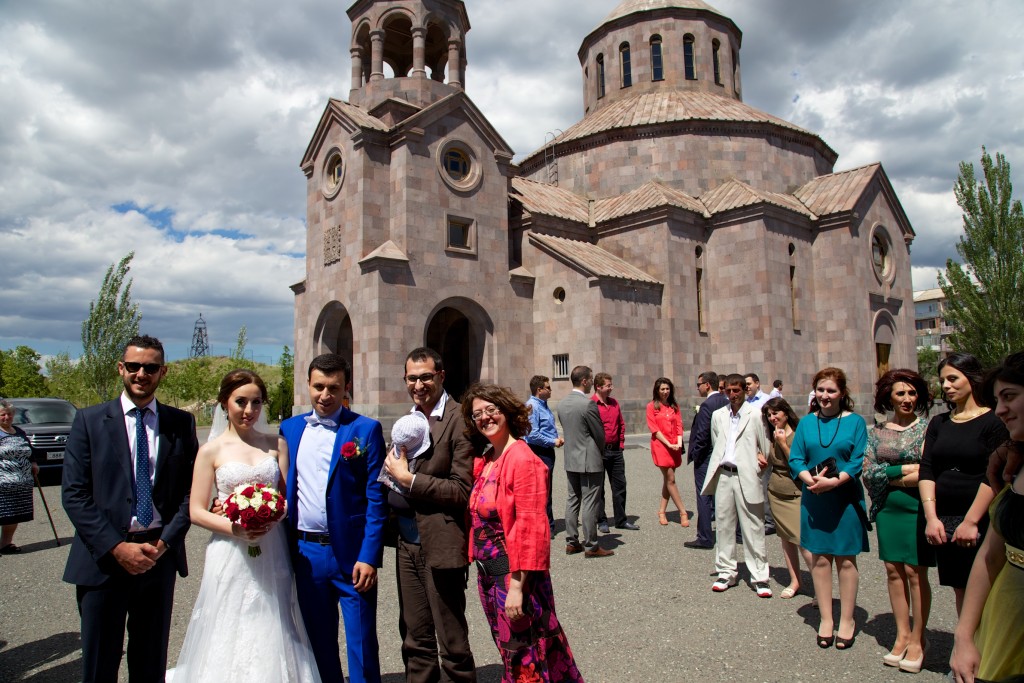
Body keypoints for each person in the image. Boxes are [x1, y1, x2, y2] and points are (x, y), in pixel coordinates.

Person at [62, 335, 199, 683]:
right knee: (99, 662)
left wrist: (165, 543)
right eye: (134, 366)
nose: (142, 374)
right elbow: (75, 494)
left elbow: (190, 493)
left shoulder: (180, 424)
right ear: (121, 368)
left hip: (158, 556)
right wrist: (117, 547)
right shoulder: (89, 421)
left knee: (150, 662)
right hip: (104, 560)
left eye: (151, 367)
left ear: (162, 372)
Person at [171, 370, 320, 682]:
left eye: (256, 402)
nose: (249, 410)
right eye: (241, 402)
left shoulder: (276, 444)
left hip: (271, 545)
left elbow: (284, 498)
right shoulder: (211, 450)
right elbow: (196, 510)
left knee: (272, 618)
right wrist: (235, 528)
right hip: (229, 550)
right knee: (228, 621)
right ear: (225, 402)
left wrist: (270, 516)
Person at [461, 383, 585, 683]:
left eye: (492, 410)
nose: (485, 417)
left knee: (528, 657)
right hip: (489, 578)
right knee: (513, 654)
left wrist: (517, 586)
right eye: (478, 414)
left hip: (515, 578)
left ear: (507, 411)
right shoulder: (489, 458)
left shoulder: (522, 458)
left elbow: (532, 529)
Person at [281, 354, 388, 683]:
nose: (325, 395)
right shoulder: (290, 428)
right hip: (306, 553)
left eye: (333, 388)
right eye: (318, 387)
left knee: (360, 643)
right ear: (308, 385)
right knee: (319, 641)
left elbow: (376, 498)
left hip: (352, 555)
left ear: (346, 388)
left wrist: (369, 556)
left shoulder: (365, 430)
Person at [383, 347, 478, 682]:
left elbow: (461, 491)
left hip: (440, 540)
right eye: (412, 378)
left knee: (450, 638)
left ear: (441, 376)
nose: (418, 384)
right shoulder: (409, 419)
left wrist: (409, 480)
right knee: (414, 635)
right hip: (406, 541)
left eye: (425, 377)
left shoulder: (459, 419)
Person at [950, 352, 1024, 683]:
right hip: (1006, 616)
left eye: (1010, 397)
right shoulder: (1014, 463)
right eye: (997, 400)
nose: (1001, 410)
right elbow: (991, 555)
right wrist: (964, 636)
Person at [919, 352, 1009, 616]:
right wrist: (931, 517)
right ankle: (966, 648)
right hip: (944, 518)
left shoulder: (994, 422)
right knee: (960, 588)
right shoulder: (939, 422)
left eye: (952, 378)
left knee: (987, 588)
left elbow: (992, 474)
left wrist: (970, 521)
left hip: (980, 519)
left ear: (971, 378)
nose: (946, 386)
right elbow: (927, 468)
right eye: (942, 380)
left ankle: (987, 653)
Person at [789, 367, 869, 650]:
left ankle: (847, 619)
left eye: (831, 390)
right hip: (814, 496)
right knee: (820, 560)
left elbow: (858, 459)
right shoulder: (807, 423)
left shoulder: (856, 422)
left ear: (842, 393)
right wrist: (809, 478)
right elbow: (796, 458)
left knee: (846, 560)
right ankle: (826, 618)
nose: (825, 396)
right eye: (820, 390)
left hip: (844, 498)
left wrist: (834, 482)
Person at [861, 369, 935, 673]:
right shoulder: (877, 431)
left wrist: (895, 472)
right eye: (900, 393)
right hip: (888, 506)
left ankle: (919, 638)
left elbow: (929, 471)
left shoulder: (930, 429)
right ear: (888, 397)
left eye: (912, 393)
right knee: (893, 570)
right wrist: (901, 472)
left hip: (919, 507)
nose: (907, 399)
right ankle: (902, 634)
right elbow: (869, 472)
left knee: (916, 572)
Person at [701, 374, 773, 598]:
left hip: (746, 475)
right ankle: (726, 571)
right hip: (724, 474)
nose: (732, 395)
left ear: (744, 391)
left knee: (753, 526)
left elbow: (766, 445)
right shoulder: (718, 415)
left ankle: (760, 576)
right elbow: (717, 443)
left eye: (737, 390)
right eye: (729, 391)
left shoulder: (755, 415)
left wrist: (759, 463)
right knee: (723, 524)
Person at [558, 365, 613, 558]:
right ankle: (591, 545)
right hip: (589, 459)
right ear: (584, 381)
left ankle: (571, 541)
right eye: (590, 379)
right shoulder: (588, 404)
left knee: (572, 499)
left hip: (570, 458)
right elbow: (599, 433)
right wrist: (602, 450)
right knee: (590, 501)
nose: (591, 382)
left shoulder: (562, 404)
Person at [761, 397, 813, 598]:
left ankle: (819, 585)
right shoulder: (772, 434)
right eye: (769, 415)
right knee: (785, 540)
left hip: (795, 492)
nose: (773, 418)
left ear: (786, 412)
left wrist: (782, 444)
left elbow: (801, 464)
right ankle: (795, 580)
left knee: (801, 541)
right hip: (776, 491)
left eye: (776, 413)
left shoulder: (799, 434)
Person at [686, 371, 727, 549]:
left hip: (707, 456)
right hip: (723, 454)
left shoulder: (707, 405)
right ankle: (732, 532)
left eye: (699, 384)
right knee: (723, 493)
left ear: (707, 385)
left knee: (704, 495)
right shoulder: (726, 401)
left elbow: (702, 435)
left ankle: (704, 536)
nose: (698, 387)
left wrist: (696, 455)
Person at [592, 373, 636, 532]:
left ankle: (621, 519)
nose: (611, 388)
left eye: (611, 385)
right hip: (598, 452)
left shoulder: (614, 403)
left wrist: (621, 444)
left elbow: (621, 424)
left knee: (620, 486)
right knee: (599, 488)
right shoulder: (591, 404)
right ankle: (601, 520)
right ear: (599, 386)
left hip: (616, 451)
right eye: (608, 385)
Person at [647, 377, 690, 528]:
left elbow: (679, 425)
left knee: (668, 479)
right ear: (657, 391)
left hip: (674, 446)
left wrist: (678, 442)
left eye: (667, 389)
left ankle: (661, 511)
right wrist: (668, 443)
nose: (665, 392)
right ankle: (683, 512)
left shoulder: (674, 406)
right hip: (661, 446)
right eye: (662, 389)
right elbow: (654, 429)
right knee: (670, 478)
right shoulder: (652, 406)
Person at [524, 375, 563, 536]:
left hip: (546, 451)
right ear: (539, 390)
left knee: (546, 489)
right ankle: (545, 526)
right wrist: (553, 441)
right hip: (539, 451)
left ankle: (547, 524)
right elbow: (532, 434)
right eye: (548, 387)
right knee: (542, 490)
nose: (550, 390)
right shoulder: (533, 406)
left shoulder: (543, 405)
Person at [0, 400, 40, 554]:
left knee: (12, 515)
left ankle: (5, 544)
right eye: (3, 415)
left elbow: (29, 450)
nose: (7, 417)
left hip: (22, 481)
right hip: (2, 481)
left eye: (9, 414)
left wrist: (34, 463)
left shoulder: (19, 432)